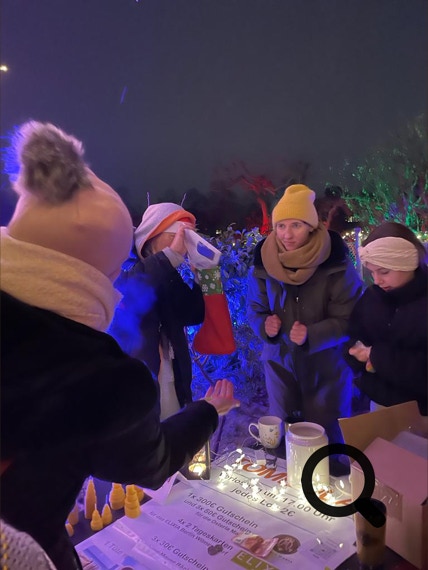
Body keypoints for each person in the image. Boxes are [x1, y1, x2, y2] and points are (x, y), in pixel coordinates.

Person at [0, 120, 239, 570]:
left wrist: (206, 274)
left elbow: (192, 312)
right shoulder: (101, 374)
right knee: (130, 485)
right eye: (176, 235)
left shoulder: (164, 280)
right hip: (27, 551)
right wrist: (209, 410)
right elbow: (150, 459)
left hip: (166, 379)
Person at [247, 184, 363, 458]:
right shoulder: (264, 261)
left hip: (327, 368)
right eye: (281, 226)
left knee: (327, 442)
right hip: (280, 365)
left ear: (311, 226)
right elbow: (254, 308)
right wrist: (264, 326)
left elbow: (351, 316)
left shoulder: (334, 261)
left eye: (296, 225)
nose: (287, 234)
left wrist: (314, 334)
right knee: (284, 442)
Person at [112, 202, 205, 419]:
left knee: (172, 428)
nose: (183, 242)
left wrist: (202, 277)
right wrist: (170, 256)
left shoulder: (169, 273)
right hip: (138, 379)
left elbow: (192, 314)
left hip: (171, 374)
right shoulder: (124, 266)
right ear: (152, 236)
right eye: (177, 234)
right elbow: (130, 292)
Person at [348, 222, 427, 417]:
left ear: (408, 262)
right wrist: (355, 355)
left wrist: (375, 357)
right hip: (380, 403)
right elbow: (354, 335)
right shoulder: (372, 297)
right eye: (372, 272)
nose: (377, 280)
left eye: (384, 272)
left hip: (422, 412)